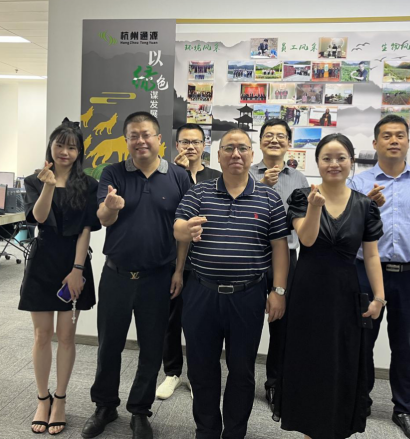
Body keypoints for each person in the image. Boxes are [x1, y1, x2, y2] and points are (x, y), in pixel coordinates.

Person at [174, 128, 290, 439]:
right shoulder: (199, 193)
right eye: (228, 148)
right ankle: (207, 431)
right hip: (202, 293)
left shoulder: (269, 198)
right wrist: (186, 229)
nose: (235, 154)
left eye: (242, 148)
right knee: (201, 369)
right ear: (218, 155)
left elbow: (280, 247)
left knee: (242, 371)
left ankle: (235, 433)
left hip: (248, 295)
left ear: (252, 155)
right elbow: (178, 227)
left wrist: (278, 291)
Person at [82, 112, 192, 439]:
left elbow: (184, 231)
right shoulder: (112, 172)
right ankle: (105, 406)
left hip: (158, 277)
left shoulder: (179, 177)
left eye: (146, 134)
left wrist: (178, 271)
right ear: (126, 140)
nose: (140, 141)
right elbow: (103, 218)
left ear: (159, 139)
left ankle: (140, 411)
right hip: (116, 275)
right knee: (108, 346)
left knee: (151, 348)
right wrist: (111, 206)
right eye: (133, 135)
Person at [276, 133, 386, 439]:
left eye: (341, 158)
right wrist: (315, 208)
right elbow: (307, 240)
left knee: (341, 361)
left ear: (351, 161)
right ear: (317, 162)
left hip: (346, 293)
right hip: (308, 292)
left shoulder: (365, 205)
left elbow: (372, 255)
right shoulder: (302, 196)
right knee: (309, 360)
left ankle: (335, 428)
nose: (334, 164)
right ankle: (309, 429)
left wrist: (379, 297)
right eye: (327, 158)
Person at [350, 115, 410, 439]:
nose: (394, 140)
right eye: (387, 135)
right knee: (362, 342)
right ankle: (359, 402)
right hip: (366, 274)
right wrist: (365, 206)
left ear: (407, 141)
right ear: (375, 143)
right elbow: (344, 228)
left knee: (404, 345)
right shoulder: (358, 184)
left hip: (409, 276)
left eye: (400, 135)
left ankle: (404, 409)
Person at [19, 118, 101, 435]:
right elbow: (39, 218)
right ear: (51, 147)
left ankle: (61, 400)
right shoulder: (35, 180)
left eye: (72, 147)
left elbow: (85, 230)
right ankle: (43, 399)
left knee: (66, 336)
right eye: (60, 145)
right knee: (42, 335)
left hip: (73, 263)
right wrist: (49, 185)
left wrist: (78, 270)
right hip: (42, 261)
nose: (65, 151)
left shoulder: (88, 184)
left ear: (79, 152)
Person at [156, 124, 222, 401]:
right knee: (170, 319)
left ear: (205, 145)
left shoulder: (216, 177)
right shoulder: (167, 176)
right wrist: (179, 173)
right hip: (171, 258)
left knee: (201, 323)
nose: (190, 147)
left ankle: (198, 375)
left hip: (206, 260)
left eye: (196, 142)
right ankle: (172, 372)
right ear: (176, 145)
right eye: (185, 142)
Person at [249, 119, 309, 410]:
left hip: (287, 257)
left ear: (288, 143)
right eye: (269, 135)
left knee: (282, 326)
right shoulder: (246, 173)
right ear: (260, 141)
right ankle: (242, 380)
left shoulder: (299, 179)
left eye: (280, 136)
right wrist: (261, 187)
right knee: (245, 323)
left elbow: (306, 222)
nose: (274, 140)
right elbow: (236, 212)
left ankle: (275, 384)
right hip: (249, 256)